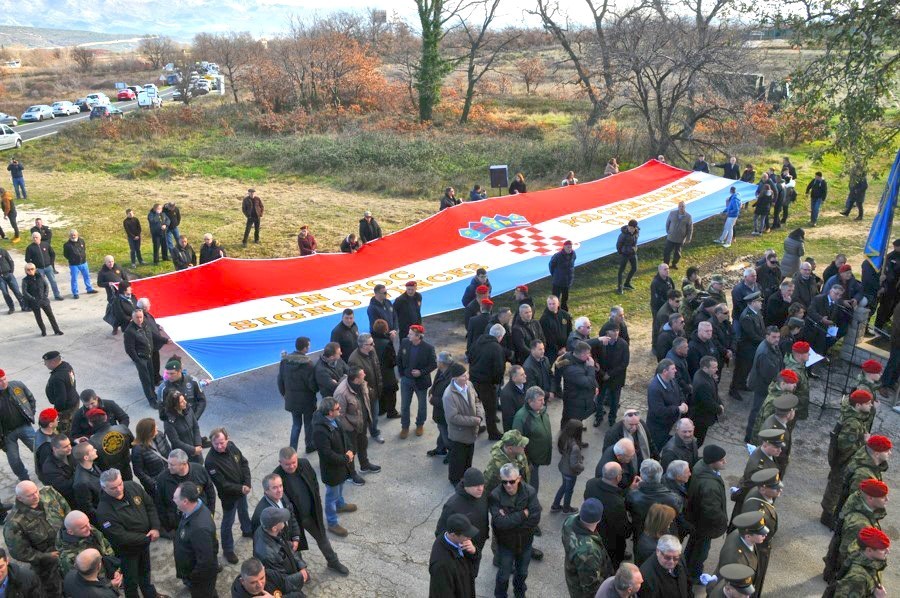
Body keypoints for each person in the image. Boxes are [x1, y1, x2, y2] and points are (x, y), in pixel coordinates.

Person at [273, 447, 350, 575]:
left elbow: (314, 482)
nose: (291, 466)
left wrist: (317, 502)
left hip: (311, 514)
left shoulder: (304, 464)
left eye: (294, 462)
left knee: (322, 538)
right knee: (295, 547)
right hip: (293, 520)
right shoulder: (277, 477)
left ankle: (333, 561)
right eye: (287, 464)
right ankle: (301, 571)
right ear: (280, 462)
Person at [96, 468, 168, 598]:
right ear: (104, 488)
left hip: (144, 543)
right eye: (113, 488)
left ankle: (150, 594)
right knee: (131, 581)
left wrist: (155, 527)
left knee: (145, 572)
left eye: (120, 484)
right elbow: (121, 536)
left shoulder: (132, 486)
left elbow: (150, 506)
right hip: (127, 552)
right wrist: (148, 538)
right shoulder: (104, 511)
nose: (119, 489)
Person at [3, 481, 70, 598]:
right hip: (47, 564)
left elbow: (66, 510)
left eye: (36, 491)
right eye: (30, 495)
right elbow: (19, 552)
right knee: (56, 591)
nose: (36, 496)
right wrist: (46, 556)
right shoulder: (14, 522)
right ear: (20, 498)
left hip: (68, 545)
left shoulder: (49, 493)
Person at [490, 462, 541, 598]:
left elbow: (535, 519)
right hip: (506, 544)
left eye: (512, 481)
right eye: (504, 482)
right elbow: (499, 523)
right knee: (503, 575)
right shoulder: (495, 495)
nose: (508, 485)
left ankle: (519, 593)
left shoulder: (529, 492)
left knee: (522, 572)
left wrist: (509, 520)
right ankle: (500, 595)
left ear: (518, 479)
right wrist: (522, 514)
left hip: (525, 543)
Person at [823, 478, 887, 584]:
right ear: (870, 498)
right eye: (883, 497)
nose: (887, 499)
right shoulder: (860, 525)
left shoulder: (857, 499)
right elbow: (846, 553)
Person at [204, 428, 251, 565]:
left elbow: (244, 463)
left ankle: (247, 530)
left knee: (244, 510)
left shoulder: (232, 446)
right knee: (227, 522)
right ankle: (228, 549)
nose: (219, 446)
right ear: (211, 442)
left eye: (222, 443)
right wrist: (241, 488)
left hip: (242, 490)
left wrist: (247, 483)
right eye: (216, 444)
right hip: (229, 497)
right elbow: (222, 484)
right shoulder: (210, 461)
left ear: (227, 439)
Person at [312, 397, 356, 537]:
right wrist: (346, 458)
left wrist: (350, 450)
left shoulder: (335, 420)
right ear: (330, 412)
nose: (340, 409)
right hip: (332, 470)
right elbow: (327, 455)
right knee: (331, 496)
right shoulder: (320, 431)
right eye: (337, 408)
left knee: (340, 487)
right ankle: (332, 523)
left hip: (341, 465)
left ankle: (340, 505)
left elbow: (344, 437)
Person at [684, 444, 728, 583]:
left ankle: (686, 568)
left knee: (692, 547)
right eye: (721, 460)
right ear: (712, 462)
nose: (725, 462)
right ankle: (693, 576)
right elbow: (712, 511)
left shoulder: (701, 466)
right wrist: (723, 521)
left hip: (696, 520)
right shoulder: (709, 485)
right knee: (700, 552)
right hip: (705, 526)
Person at [333, 365, 380, 482]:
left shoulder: (362, 383)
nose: (365, 375)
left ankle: (365, 465)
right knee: (351, 451)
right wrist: (350, 428)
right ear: (356, 379)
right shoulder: (341, 393)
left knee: (363, 444)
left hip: (362, 423)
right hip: (350, 428)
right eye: (362, 374)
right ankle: (351, 474)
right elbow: (339, 415)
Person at [172, 482, 219, 597]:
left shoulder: (200, 528)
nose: (173, 500)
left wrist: (193, 577)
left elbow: (205, 562)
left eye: (175, 498)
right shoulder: (193, 509)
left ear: (185, 501)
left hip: (200, 579)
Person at [155, 449, 216, 534]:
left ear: (183, 464)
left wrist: (210, 512)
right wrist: (168, 526)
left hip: (201, 519)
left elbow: (210, 491)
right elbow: (159, 504)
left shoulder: (199, 470)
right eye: (168, 463)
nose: (168, 467)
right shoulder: (162, 479)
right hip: (178, 525)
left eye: (172, 465)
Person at [561, 498, 614, 598]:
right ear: (599, 519)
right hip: (580, 590)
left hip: (572, 571)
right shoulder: (590, 552)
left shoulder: (569, 520)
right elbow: (591, 589)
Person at [583, 461, 630, 569]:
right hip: (610, 543)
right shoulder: (616, 503)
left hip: (593, 532)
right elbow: (623, 530)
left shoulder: (591, 483)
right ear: (618, 477)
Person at [443, 364, 484, 485]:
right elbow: (453, 417)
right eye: (463, 375)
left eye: (467, 374)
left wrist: (480, 415)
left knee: (468, 458)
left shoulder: (469, 385)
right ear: (455, 378)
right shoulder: (449, 395)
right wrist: (475, 421)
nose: (467, 377)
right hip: (459, 435)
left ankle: (466, 477)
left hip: (471, 432)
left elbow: (477, 401)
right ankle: (455, 480)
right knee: (457, 461)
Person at [251, 507, 308, 593]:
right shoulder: (268, 555)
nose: (284, 522)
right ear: (274, 528)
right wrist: (300, 576)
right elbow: (281, 580)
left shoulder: (265, 529)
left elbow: (287, 547)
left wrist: (301, 565)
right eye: (282, 521)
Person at [277, 336, 319, 454]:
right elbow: (312, 385)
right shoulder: (308, 365)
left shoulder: (285, 361)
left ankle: (292, 450)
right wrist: (315, 390)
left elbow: (280, 380)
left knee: (296, 425)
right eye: (309, 345)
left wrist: (284, 394)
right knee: (308, 423)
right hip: (307, 400)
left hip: (291, 399)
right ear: (305, 348)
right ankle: (309, 445)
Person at [397, 324, 437, 439]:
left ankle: (420, 424)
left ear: (418, 336)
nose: (408, 335)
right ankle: (405, 426)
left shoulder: (428, 348)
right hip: (406, 380)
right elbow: (399, 358)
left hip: (421, 381)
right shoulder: (405, 342)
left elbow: (433, 364)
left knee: (422, 405)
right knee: (404, 405)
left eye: (410, 334)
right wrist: (402, 374)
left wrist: (421, 372)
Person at [469, 324, 507, 440]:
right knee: (490, 409)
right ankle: (493, 432)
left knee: (474, 406)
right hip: (487, 384)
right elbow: (499, 369)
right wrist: (496, 382)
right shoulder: (497, 348)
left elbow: (469, 357)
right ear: (500, 336)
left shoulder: (477, 342)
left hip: (473, 380)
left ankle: (475, 427)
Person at [56, 510, 119, 580]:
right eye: (83, 527)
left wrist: (115, 570)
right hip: (100, 584)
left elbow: (106, 546)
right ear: (70, 532)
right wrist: (109, 584)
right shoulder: (67, 557)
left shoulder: (91, 531)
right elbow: (79, 583)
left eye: (88, 522)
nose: (89, 527)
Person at [830, 526, 890, 597]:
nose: (888, 551)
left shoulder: (870, 559)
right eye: (883, 549)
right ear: (869, 550)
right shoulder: (857, 579)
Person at [429, 513, 479, 598]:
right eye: (466, 535)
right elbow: (443, 594)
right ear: (453, 535)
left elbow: (470, 566)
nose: (469, 538)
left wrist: (474, 552)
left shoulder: (456, 541)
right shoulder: (442, 566)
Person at [512, 386, 551, 492]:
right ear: (530, 401)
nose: (543, 403)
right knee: (531, 487)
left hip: (537, 458)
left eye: (543, 399)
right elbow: (517, 444)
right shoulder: (521, 418)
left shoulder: (541, 411)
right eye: (540, 400)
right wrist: (526, 463)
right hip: (530, 462)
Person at [0, 369, 36, 482]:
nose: (3, 382)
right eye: (0, 381)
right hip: (7, 434)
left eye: (4, 379)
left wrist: (30, 413)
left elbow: (31, 399)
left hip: (24, 426)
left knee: (39, 448)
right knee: (14, 460)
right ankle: (25, 480)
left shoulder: (17, 386)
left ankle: (47, 470)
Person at [646, 360, 687, 450]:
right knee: (655, 448)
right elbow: (659, 411)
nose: (675, 370)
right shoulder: (655, 388)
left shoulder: (671, 379)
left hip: (668, 424)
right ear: (665, 371)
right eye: (673, 369)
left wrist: (683, 402)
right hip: (658, 427)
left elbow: (679, 392)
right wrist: (678, 409)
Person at [124, 309, 161, 407]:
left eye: (141, 317)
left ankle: (153, 394)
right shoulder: (129, 331)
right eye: (137, 317)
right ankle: (151, 401)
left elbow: (152, 335)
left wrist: (164, 340)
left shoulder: (145, 324)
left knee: (151, 377)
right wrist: (138, 360)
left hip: (149, 356)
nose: (140, 319)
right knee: (146, 380)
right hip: (141, 359)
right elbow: (129, 349)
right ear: (133, 318)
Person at [130, 417, 170, 496]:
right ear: (148, 432)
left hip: (169, 476)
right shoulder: (137, 450)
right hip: (156, 484)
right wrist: (153, 484)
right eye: (154, 427)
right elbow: (139, 472)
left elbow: (169, 452)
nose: (157, 427)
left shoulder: (160, 435)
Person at [21, 262, 63, 336]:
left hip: (43, 299)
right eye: (28, 270)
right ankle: (43, 331)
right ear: (26, 271)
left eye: (32, 269)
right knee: (38, 317)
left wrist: (45, 295)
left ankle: (56, 330)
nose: (30, 271)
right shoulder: (25, 280)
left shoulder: (40, 276)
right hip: (34, 301)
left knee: (50, 315)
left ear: (35, 269)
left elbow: (46, 286)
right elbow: (25, 292)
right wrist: (32, 298)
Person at [162, 390, 203, 466]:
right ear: (175, 405)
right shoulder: (169, 421)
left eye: (184, 399)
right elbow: (176, 442)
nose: (185, 402)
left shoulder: (188, 409)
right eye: (181, 402)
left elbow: (195, 428)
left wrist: (198, 444)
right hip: (183, 456)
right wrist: (193, 450)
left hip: (197, 451)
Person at [43, 350, 79, 435]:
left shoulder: (57, 377)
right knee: (73, 423)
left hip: (66, 410)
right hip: (74, 400)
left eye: (46, 362)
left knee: (63, 431)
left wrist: (57, 412)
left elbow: (61, 398)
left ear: (52, 362)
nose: (45, 364)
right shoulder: (66, 366)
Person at [231, 557, 305, 598]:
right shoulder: (239, 595)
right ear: (242, 581)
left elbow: (300, 595)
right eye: (253, 582)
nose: (260, 585)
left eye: (262, 578)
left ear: (264, 570)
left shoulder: (271, 574)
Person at [428, 351, 455, 460]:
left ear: (442, 363)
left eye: (438, 361)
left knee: (446, 433)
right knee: (442, 430)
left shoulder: (452, 379)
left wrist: (433, 399)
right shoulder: (441, 370)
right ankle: (440, 449)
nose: (436, 362)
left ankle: (452, 454)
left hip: (445, 413)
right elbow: (436, 383)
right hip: (439, 411)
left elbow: (449, 401)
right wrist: (431, 391)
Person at [691, 356, 723, 446]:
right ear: (705, 368)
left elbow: (714, 392)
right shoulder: (703, 383)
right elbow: (708, 402)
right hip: (701, 418)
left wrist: (720, 403)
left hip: (702, 415)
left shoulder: (704, 374)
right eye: (714, 368)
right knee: (699, 440)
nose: (717, 369)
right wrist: (719, 409)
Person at [372, 319, 400, 419]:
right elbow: (392, 360)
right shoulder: (387, 343)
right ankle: (391, 412)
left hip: (376, 372)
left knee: (381, 392)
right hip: (387, 373)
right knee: (391, 393)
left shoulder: (371, 341)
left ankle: (381, 409)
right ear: (386, 329)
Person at [62, 230, 98, 299]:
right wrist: (72, 259)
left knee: (87, 276)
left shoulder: (82, 241)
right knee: (74, 279)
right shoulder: (67, 245)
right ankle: (75, 293)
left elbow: (84, 249)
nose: (73, 236)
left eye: (74, 235)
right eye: (71, 235)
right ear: (69, 236)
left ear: (77, 235)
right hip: (74, 265)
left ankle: (89, 289)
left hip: (83, 263)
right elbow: (66, 254)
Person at [42, 434, 76, 506]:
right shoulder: (49, 468)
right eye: (65, 447)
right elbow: (65, 488)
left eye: (69, 444)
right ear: (55, 449)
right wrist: (80, 474)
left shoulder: (71, 453)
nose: (70, 448)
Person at [663, 201, 693, 269]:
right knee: (667, 251)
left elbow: (690, 228)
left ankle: (674, 264)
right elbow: (668, 223)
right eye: (680, 206)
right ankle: (666, 264)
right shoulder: (672, 213)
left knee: (677, 253)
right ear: (678, 207)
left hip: (680, 239)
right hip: (671, 237)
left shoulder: (688, 217)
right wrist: (668, 231)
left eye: (682, 206)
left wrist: (688, 238)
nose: (681, 208)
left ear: (685, 207)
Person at [650, 264, 676, 340]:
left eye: (668, 269)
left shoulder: (669, 280)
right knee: (657, 325)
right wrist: (667, 303)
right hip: (657, 308)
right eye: (665, 269)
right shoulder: (655, 283)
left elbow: (673, 292)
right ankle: (655, 342)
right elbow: (656, 299)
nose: (667, 271)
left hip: (669, 305)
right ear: (659, 270)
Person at [549, 240, 576, 311]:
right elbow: (551, 265)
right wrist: (555, 275)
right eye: (568, 247)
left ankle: (564, 311)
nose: (569, 249)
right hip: (558, 281)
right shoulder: (557, 256)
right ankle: (555, 310)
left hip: (567, 281)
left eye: (570, 247)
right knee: (555, 298)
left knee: (565, 298)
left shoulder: (573, 254)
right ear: (564, 247)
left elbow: (573, 263)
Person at [500, 366, 527, 432]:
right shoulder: (506, 394)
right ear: (514, 378)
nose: (525, 376)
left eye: (524, 373)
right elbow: (509, 418)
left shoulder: (524, 385)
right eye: (522, 375)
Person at [616, 220, 640, 294]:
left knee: (634, 268)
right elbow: (618, 245)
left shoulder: (637, 232)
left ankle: (627, 283)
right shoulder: (623, 235)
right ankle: (620, 287)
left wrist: (635, 248)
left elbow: (635, 241)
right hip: (625, 254)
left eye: (632, 228)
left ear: (635, 228)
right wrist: (621, 252)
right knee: (621, 271)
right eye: (629, 227)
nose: (630, 229)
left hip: (633, 253)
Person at [0, 245, 24, 313]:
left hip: (8, 274)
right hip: (0, 278)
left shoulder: (3, 251)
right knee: (5, 293)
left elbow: (10, 261)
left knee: (16, 290)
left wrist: (11, 271)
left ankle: (24, 305)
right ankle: (11, 307)